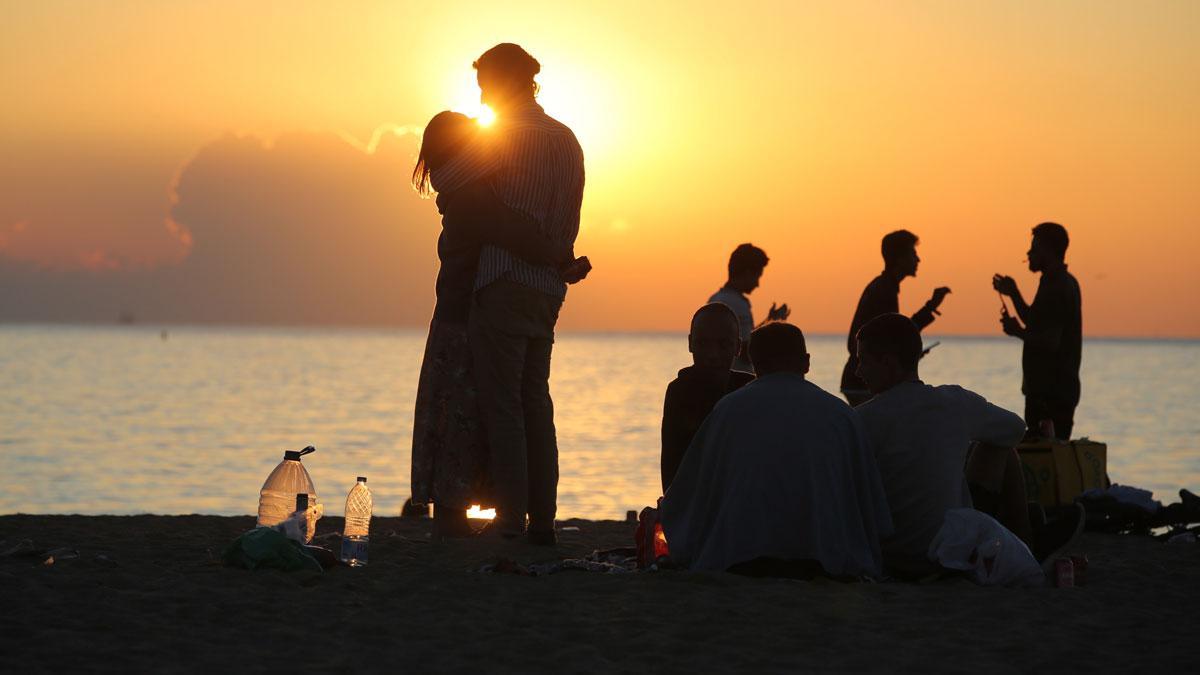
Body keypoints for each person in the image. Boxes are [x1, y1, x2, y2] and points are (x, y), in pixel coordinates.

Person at [431, 44, 585, 545]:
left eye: (483, 86)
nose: (480, 97)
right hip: (548, 289)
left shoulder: (503, 135)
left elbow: (443, 179)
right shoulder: (568, 140)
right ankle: (542, 521)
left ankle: (511, 519)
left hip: (501, 281)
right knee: (536, 402)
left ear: (500, 82)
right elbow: (568, 219)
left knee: (504, 407)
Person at [660, 322, 893, 579]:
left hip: (740, 559)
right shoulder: (842, 415)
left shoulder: (728, 411)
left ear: (752, 362)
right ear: (806, 363)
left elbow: (690, 494)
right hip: (824, 562)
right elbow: (872, 508)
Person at [992, 222, 1082, 440]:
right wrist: (1014, 294)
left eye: (1034, 247)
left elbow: (1050, 342)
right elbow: (1037, 322)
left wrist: (1017, 332)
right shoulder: (1059, 282)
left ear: (1048, 250)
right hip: (1054, 392)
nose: (1029, 253)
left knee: (1046, 457)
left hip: (1050, 395)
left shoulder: (1057, 285)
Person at [840, 230, 951, 406]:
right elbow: (894, 335)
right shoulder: (884, 291)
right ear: (900, 258)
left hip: (860, 379)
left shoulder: (884, 287)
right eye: (913, 254)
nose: (918, 260)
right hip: (864, 382)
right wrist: (930, 306)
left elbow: (894, 335)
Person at [660, 303, 754, 493]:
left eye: (723, 345)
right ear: (690, 344)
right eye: (703, 344)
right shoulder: (680, 392)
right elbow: (671, 472)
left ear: (737, 347)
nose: (713, 354)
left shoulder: (750, 392)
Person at [707, 243, 789, 372]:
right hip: (737, 383)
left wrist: (769, 321)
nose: (757, 284)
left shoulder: (716, 299)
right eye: (757, 276)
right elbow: (746, 351)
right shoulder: (737, 304)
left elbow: (743, 340)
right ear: (747, 272)